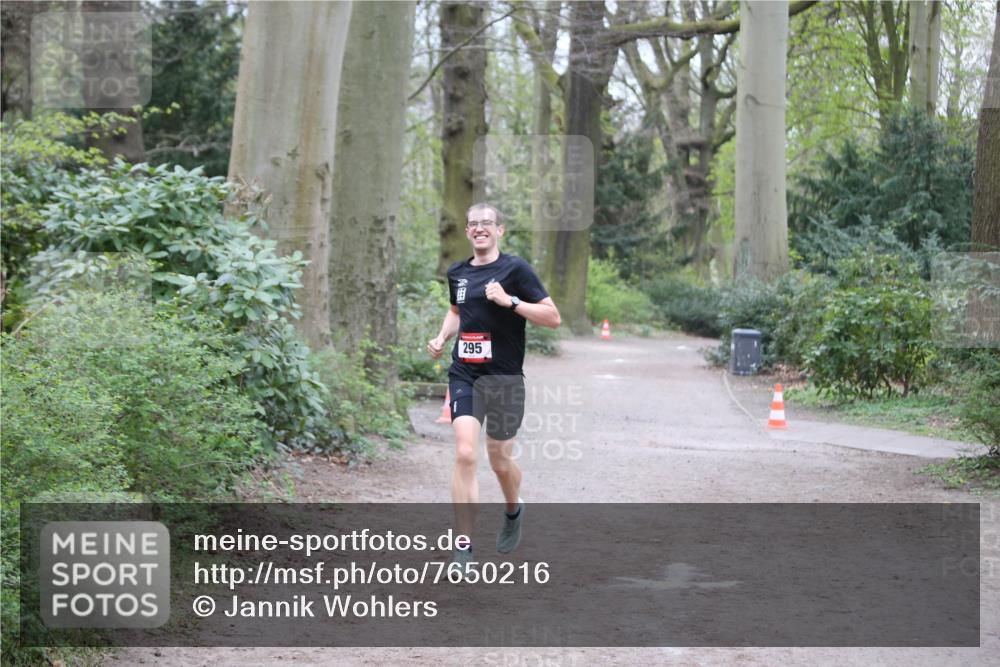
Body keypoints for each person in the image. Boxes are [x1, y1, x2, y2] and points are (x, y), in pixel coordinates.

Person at [427, 202, 561, 573]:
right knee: (466, 454)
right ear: (468, 232)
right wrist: (441, 336)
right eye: (473, 224)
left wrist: (511, 301)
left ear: (500, 230)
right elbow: (457, 311)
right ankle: (464, 548)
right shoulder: (458, 273)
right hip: (465, 374)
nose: (479, 228)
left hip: (504, 378)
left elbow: (552, 317)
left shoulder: (515, 270)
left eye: (487, 223)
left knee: (500, 461)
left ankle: (513, 508)